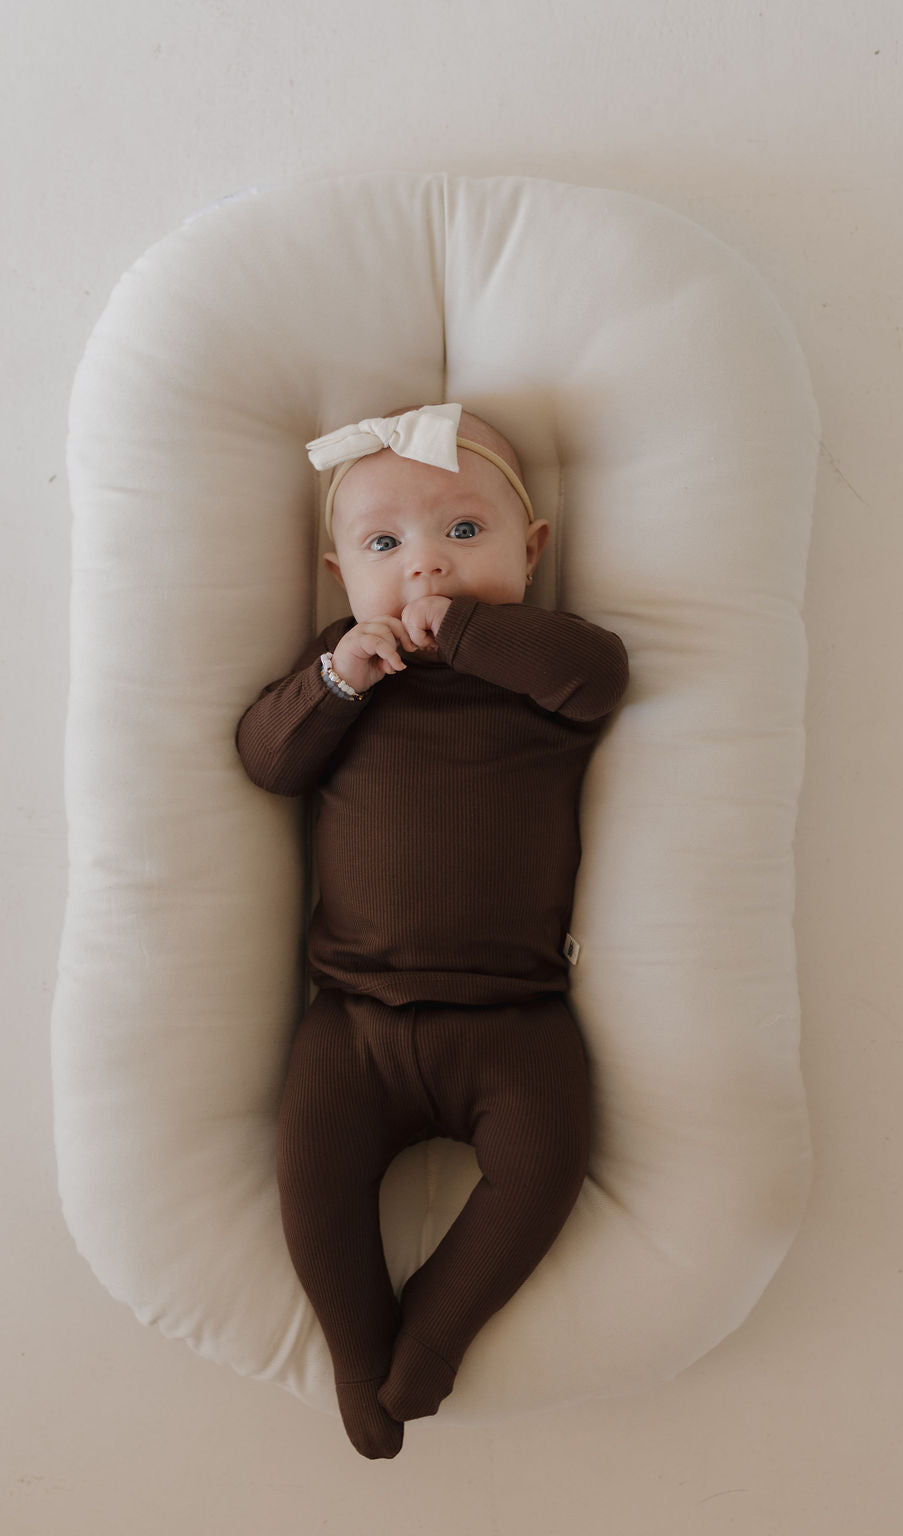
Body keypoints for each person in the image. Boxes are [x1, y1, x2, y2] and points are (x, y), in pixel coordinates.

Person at [236, 403, 629, 1458]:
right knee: (311, 1174)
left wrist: (463, 634)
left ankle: (439, 1334)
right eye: (385, 546)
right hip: (353, 1018)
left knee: (545, 1165)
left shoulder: (546, 665)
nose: (427, 571)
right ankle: (362, 1359)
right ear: (337, 574)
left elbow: (602, 680)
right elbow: (267, 760)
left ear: (530, 549)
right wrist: (336, 683)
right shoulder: (345, 670)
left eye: (463, 533)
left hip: (515, 1018)